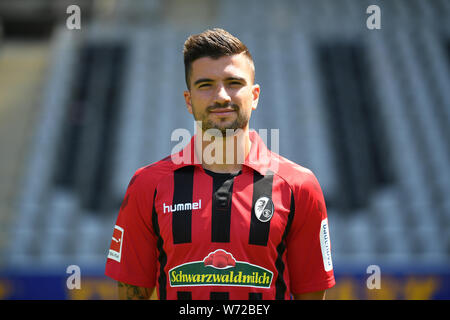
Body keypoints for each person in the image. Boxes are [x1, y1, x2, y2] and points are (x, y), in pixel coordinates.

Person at [105, 28, 335, 300]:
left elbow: (312, 293)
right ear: (188, 101)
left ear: (255, 95)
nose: (222, 96)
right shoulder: (147, 185)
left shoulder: (300, 186)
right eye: (206, 85)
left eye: (234, 83)